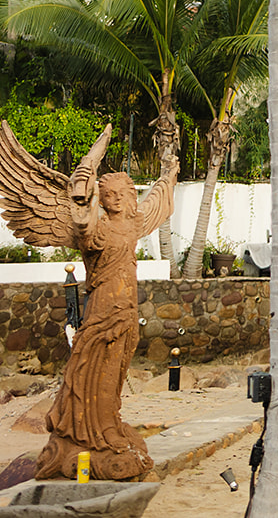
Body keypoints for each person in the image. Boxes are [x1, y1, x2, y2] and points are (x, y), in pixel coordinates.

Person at [0, 124, 175, 480]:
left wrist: (168, 174)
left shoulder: (133, 225)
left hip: (127, 311)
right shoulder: (98, 228)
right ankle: (90, 433)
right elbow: (83, 224)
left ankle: (109, 421)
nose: (115, 199)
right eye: (107, 194)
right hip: (103, 311)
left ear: (129, 197)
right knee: (93, 368)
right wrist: (83, 187)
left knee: (116, 370)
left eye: (120, 193)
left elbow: (158, 200)